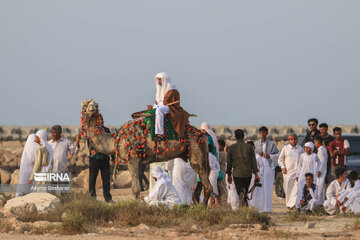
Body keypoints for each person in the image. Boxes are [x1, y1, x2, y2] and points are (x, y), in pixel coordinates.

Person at [149, 72, 190, 137]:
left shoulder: (171, 87)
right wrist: (155, 105)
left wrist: (157, 106)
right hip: (163, 105)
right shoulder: (160, 88)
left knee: (159, 110)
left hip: (171, 107)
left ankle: (160, 132)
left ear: (164, 79)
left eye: (160, 79)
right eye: (158, 79)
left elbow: (166, 101)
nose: (158, 81)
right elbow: (158, 100)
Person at [226, 129, 259, 207]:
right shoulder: (249, 147)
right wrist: (256, 174)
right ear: (244, 136)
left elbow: (229, 163)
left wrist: (229, 175)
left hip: (237, 174)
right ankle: (244, 208)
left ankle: (243, 209)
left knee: (240, 193)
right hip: (247, 174)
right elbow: (254, 162)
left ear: (235, 137)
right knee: (244, 192)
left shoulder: (231, 148)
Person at [87, 117, 114, 202]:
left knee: (106, 180)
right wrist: (91, 150)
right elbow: (89, 141)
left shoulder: (106, 130)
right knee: (92, 179)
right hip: (94, 159)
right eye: (99, 120)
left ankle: (108, 198)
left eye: (102, 120)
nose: (101, 121)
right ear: (96, 121)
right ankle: (92, 198)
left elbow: (111, 143)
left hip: (105, 158)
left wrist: (113, 157)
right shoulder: (92, 130)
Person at [254, 126, 279, 212]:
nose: (262, 134)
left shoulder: (271, 144)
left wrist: (270, 156)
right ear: (259, 134)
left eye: (264, 132)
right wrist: (258, 154)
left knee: (268, 188)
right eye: (261, 133)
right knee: (259, 188)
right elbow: (253, 155)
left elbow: (277, 155)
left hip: (269, 169)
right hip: (259, 168)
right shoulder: (256, 144)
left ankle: (267, 209)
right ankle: (260, 208)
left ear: (267, 133)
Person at [278, 134, 304, 209]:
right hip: (288, 173)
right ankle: (289, 204)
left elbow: (303, 159)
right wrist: (283, 167)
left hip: (298, 173)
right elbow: (280, 159)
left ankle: (293, 204)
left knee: (296, 189)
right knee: (288, 188)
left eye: (295, 139)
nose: (293, 140)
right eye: (291, 139)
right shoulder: (285, 148)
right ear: (289, 140)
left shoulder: (300, 149)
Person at [296, 142, 321, 207]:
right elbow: (299, 165)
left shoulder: (314, 155)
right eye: (305, 147)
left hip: (312, 174)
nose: (306, 149)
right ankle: (300, 204)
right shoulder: (302, 156)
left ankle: (311, 205)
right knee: (301, 189)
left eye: (308, 148)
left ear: (311, 149)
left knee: (312, 188)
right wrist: (297, 175)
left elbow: (319, 163)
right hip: (303, 175)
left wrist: (317, 170)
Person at [247, 141, 265, 212]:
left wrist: (258, 176)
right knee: (249, 193)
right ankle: (250, 209)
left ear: (254, 147)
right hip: (248, 177)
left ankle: (258, 210)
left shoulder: (257, 157)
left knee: (257, 194)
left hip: (256, 177)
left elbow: (261, 168)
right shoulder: (246, 157)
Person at [314, 136, 328, 203]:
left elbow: (321, 161)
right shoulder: (322, 149)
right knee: (321, 187)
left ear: (317, 142)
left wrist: (319, 171)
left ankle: (320, 202)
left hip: (321, 171)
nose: (314, 144)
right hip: (321, 170)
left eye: (315, 142)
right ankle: (321, 201)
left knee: (319, 187)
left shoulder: (321, 149)